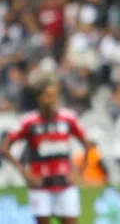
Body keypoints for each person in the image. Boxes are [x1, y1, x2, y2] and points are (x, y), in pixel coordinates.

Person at [0, 71, 89, 224]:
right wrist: (25, 173)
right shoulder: (29, 122)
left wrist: (79, 172)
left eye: (54, 95)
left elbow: (87, 145)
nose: (51, 100)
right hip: (40, 186)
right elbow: (5, 147)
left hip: (65, 184)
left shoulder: (68, 119)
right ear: (38, 97)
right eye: (46, 95)